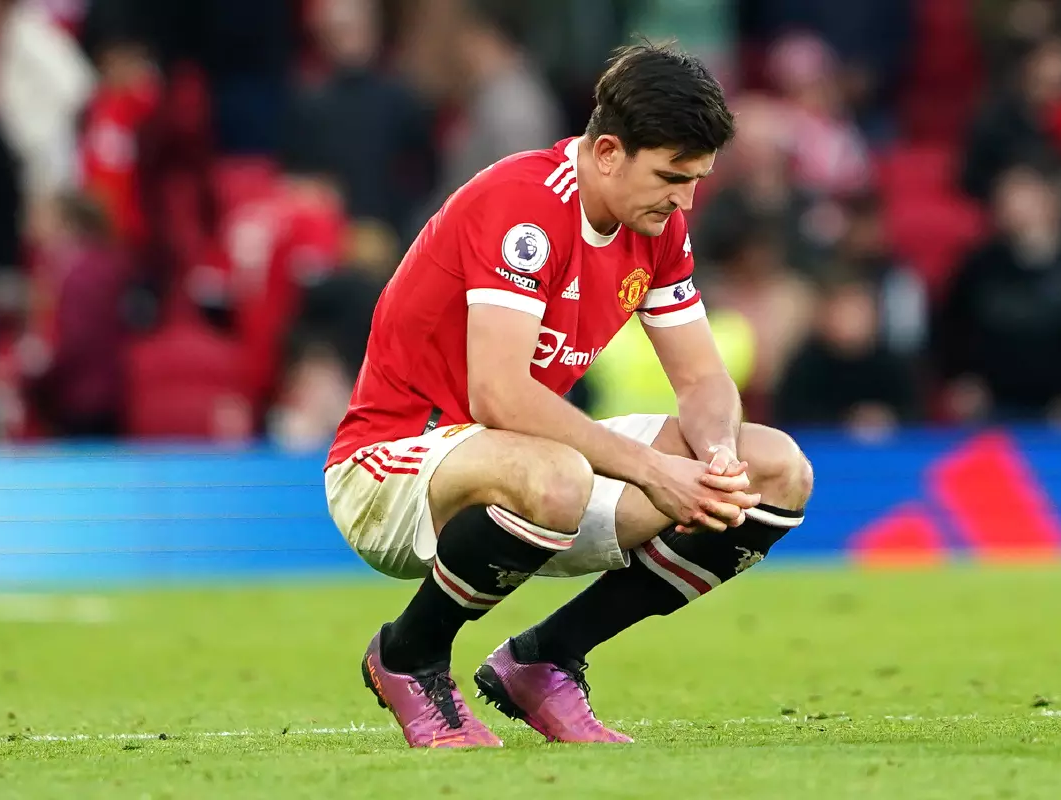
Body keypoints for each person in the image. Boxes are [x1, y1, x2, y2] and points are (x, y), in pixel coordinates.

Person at [324, 42, 814, 750]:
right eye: (672, 176)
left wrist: (712, 459)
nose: (685, 199)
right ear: (608, 152)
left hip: (527, 469)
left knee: (776, 470)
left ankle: (542, 660)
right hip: (392, 464)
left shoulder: (657, 226)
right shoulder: (524, 207)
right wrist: (653, 472)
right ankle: (408, 655)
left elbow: (704, 380)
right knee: (557, 475)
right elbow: (497, 394)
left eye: (698, 179)